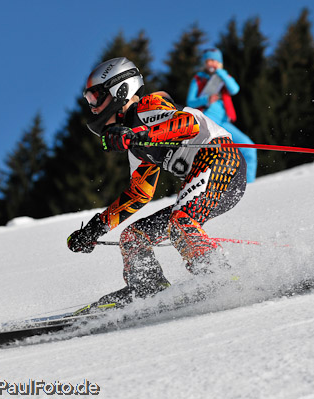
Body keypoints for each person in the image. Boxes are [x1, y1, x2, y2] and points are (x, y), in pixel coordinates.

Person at [67, 57, 247, 313]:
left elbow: (189, 123)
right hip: (207, 183)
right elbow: (138, 194)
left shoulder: (147, 106)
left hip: (221, 161)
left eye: (95, 97)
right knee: (133, 237)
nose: (93, 108)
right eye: (89, 102)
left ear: (121, 90)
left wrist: (141, 135)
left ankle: (218, 276)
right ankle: (147, 288)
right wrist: (95, 228)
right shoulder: (136, 146)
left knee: (181, 220)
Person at [186, 47, 257, 183]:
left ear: (220, 63)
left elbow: (234, 89)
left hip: (224, 122)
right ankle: (203, 185)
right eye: (208, 60)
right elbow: (190, 102)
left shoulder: (223, 77)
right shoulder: (198, 79)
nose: (211, 63)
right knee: (213, 157)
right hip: (208, 121)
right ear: (204, 63)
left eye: (214, 61)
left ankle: (249, 184)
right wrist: (206, 100)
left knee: (249, 148)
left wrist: (221, 73)